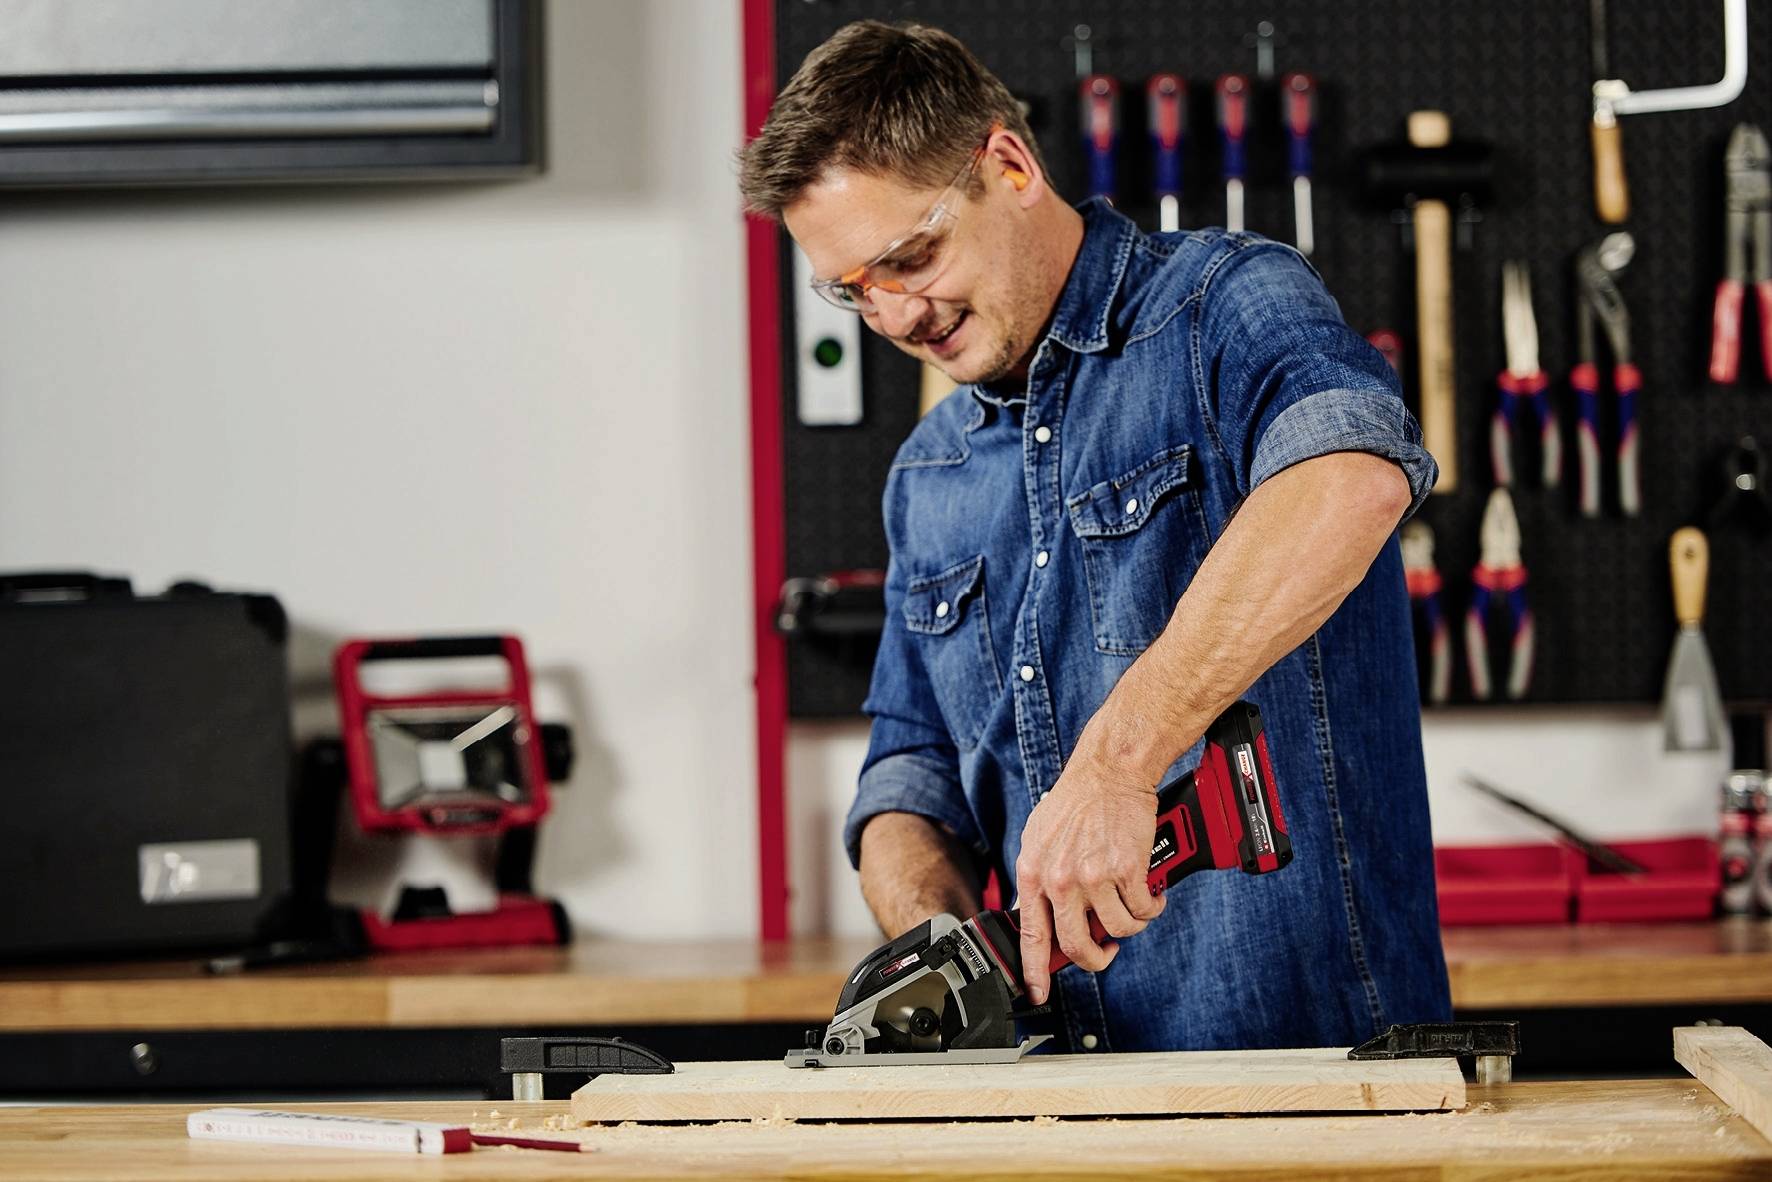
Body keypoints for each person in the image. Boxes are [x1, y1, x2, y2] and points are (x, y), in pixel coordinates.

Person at [740, 20, 1452, 1051]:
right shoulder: (927, 474)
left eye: (909, 258)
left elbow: (1349, 481)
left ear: (1009, 166)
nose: (893, 317)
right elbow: (908, 775)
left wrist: (1118, 764)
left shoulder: (1222, 307)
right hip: (1055, 1095)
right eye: (853, 291)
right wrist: (939, 943)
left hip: (1309, 1076)